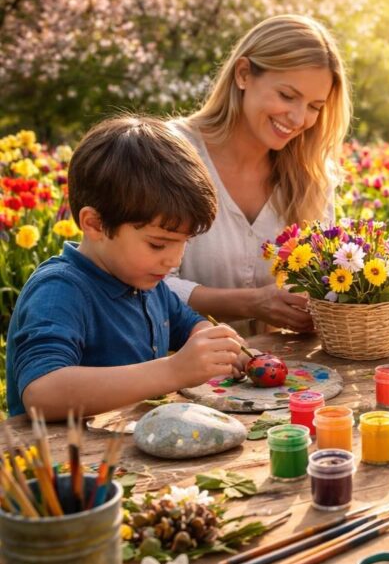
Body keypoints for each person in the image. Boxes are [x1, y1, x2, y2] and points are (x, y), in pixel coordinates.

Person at [5, 116, 249, 420]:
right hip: (62, 462)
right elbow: (42, 393)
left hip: (127, 455)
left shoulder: (146, 282)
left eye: (183, 242)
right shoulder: (60, 291)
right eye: (158, 244)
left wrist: (217, 345)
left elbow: (188, 325)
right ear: (95, 224)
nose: (173, 260)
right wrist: (173, 370)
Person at [166, 14, 351, 332]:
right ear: (243, 74)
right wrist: (250, 303)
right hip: (172, 366)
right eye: (287, 96)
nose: (298, 118)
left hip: (285, 373)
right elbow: (134, 285)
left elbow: (322, 282)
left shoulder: (311, 177)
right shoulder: (168, 153)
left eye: (315, 106)